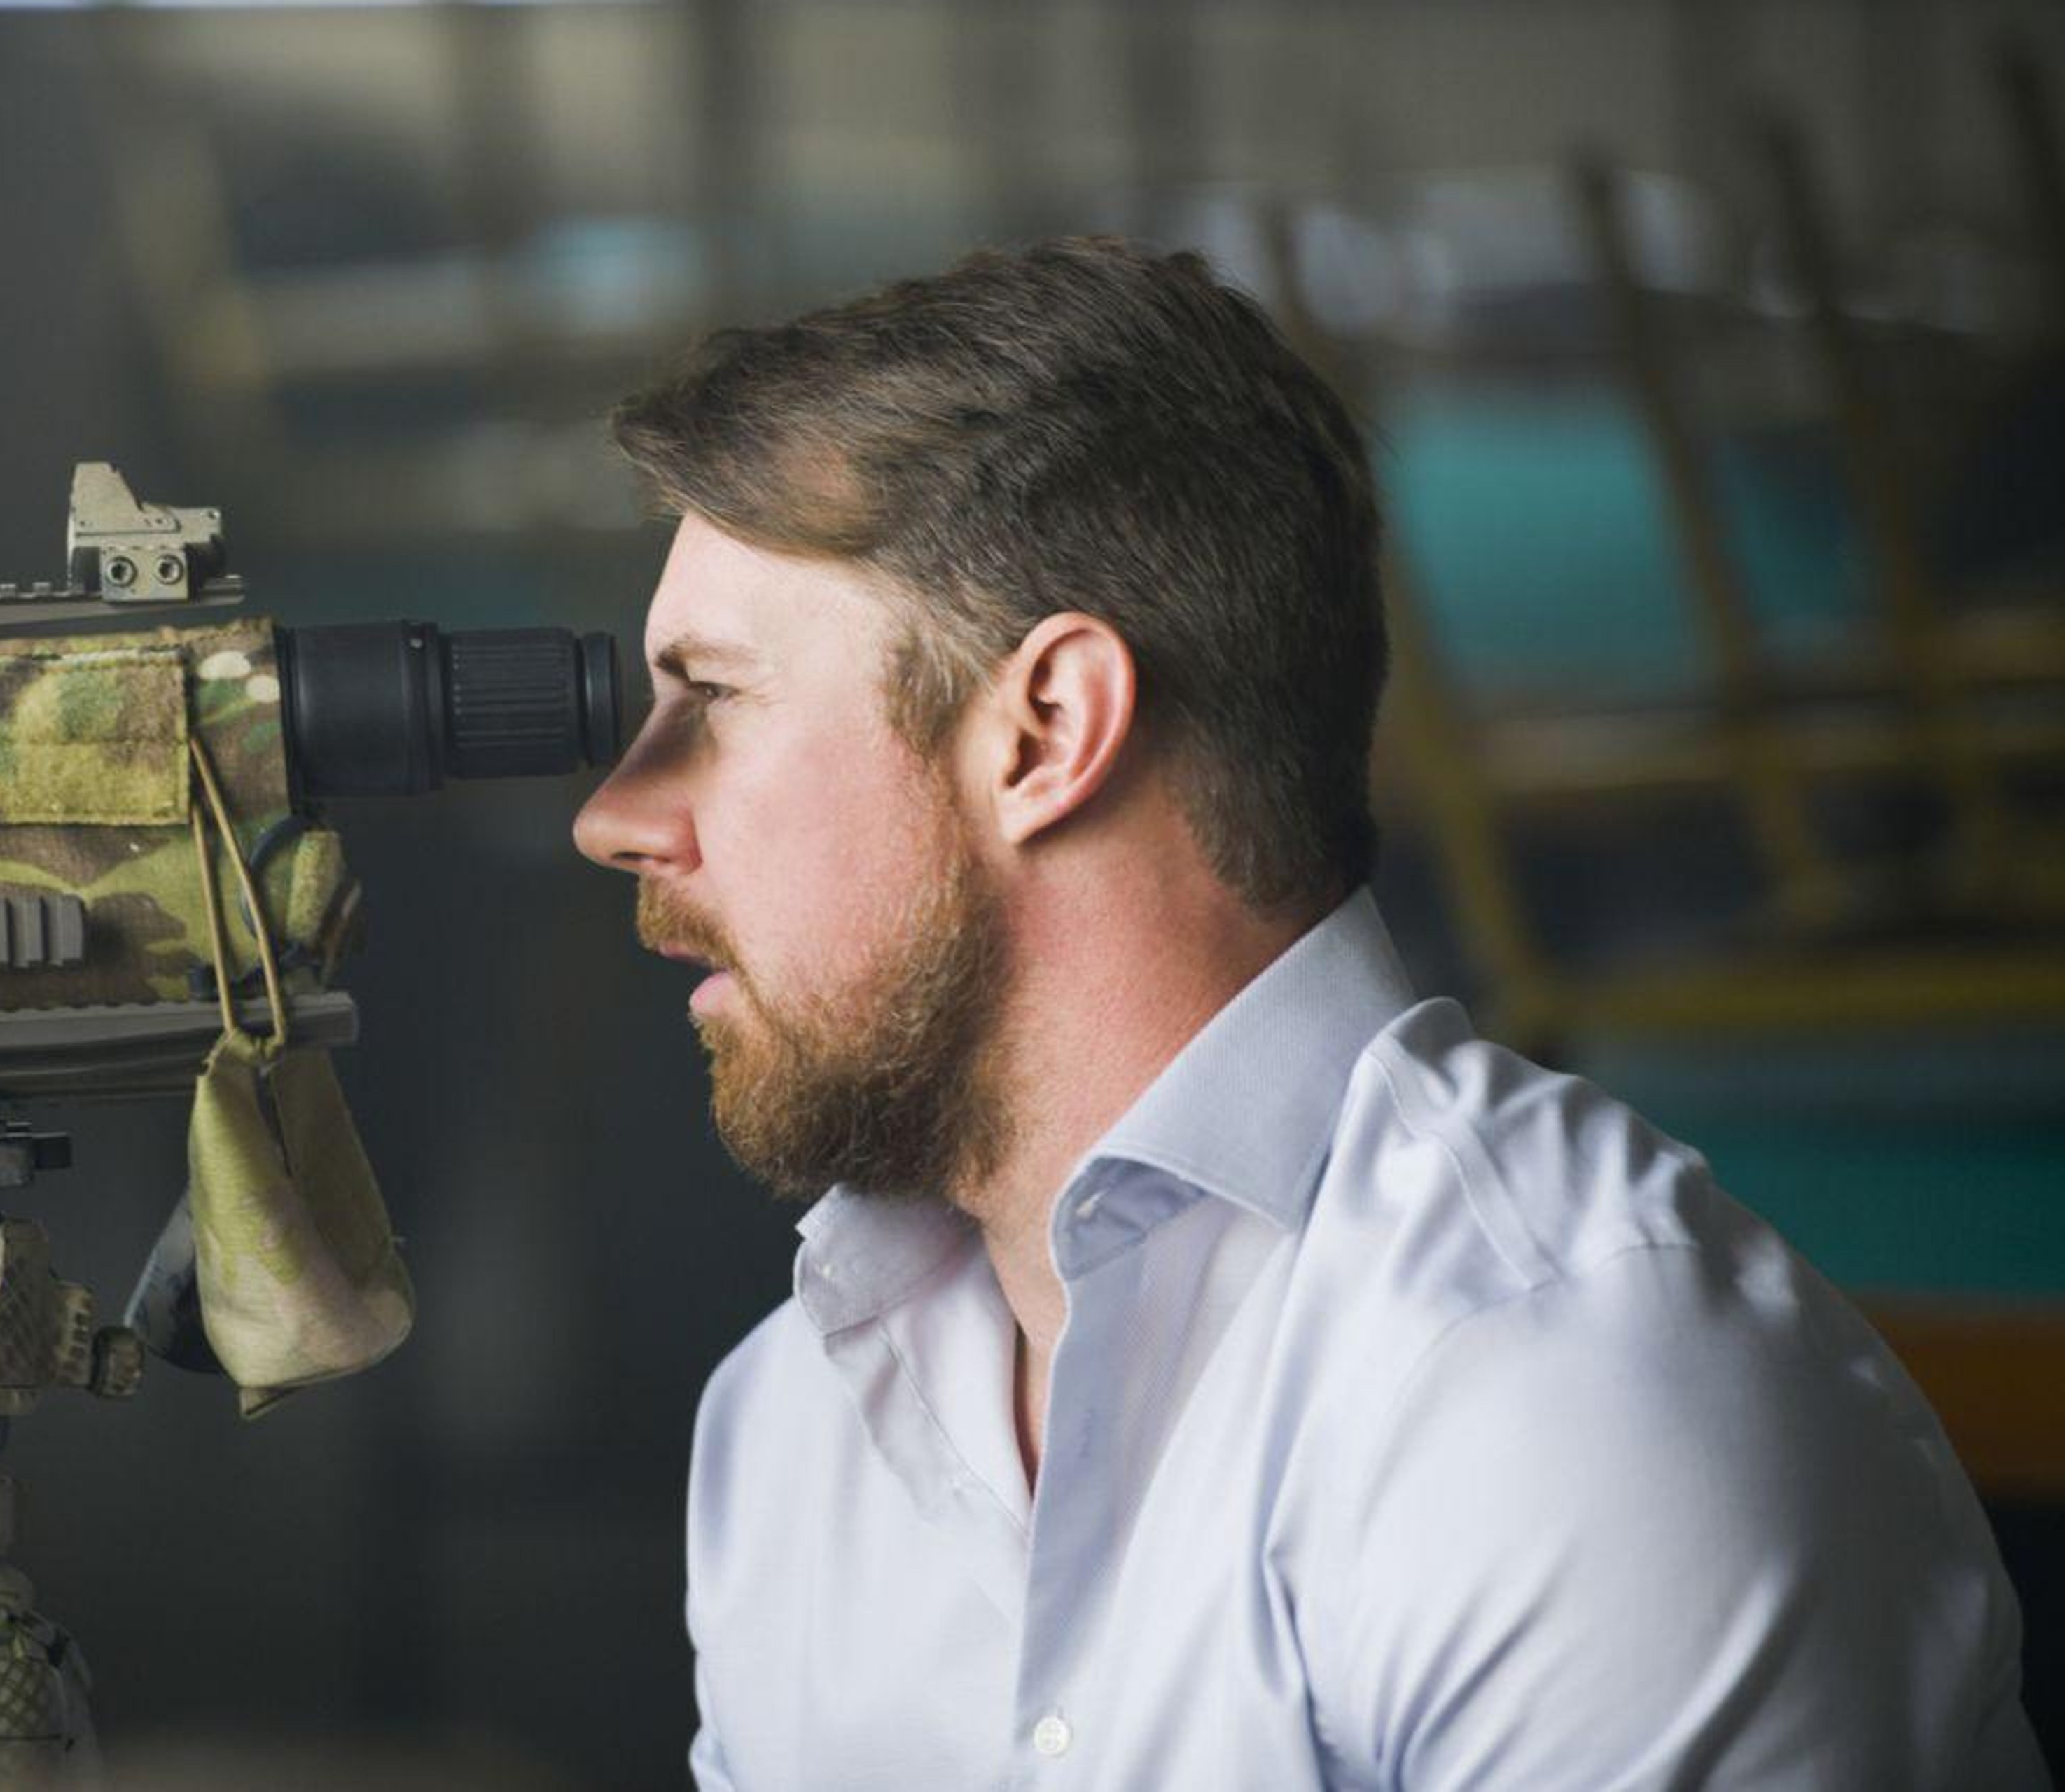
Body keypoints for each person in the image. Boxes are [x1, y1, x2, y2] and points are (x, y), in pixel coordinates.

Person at [569, 237, 2046, 1790]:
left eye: (714, 698)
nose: (615, 815)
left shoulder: (1565, 1397)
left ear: (1047, 730)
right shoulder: (794, 1423)